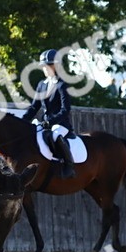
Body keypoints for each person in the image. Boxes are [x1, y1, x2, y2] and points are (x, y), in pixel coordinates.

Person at [21, 49, 76, 178]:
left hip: (60, 124)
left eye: (48, 65)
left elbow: (65, 110)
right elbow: (35, 107)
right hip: (45, 123)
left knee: (56, 136)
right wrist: (22, 121)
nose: (45, 68)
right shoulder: (42, 85)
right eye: (44, 66)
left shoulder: (62, 85)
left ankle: (69, 166)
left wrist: (51, 122)